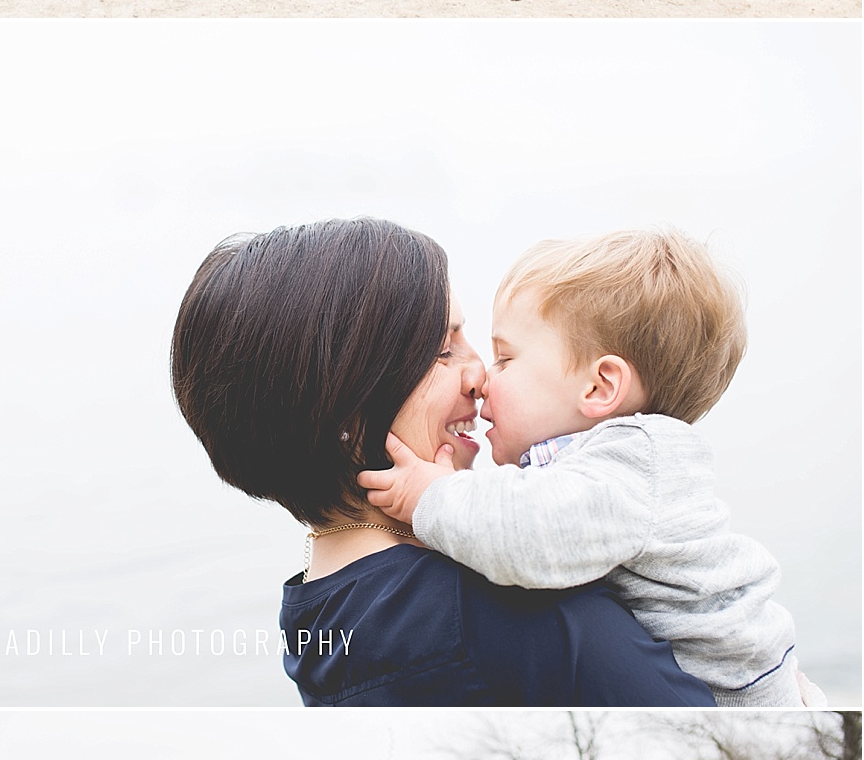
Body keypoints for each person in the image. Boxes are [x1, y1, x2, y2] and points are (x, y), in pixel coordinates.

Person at [170, 217, 715, 706]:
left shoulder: (321, 614)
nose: (481, 374)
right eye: (441, 349)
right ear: (345, 407)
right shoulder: (503, 615)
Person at [359, 229, 821, 706]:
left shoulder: (634, 459)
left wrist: (430, 494)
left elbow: (529, 536)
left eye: (505, 359)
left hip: (742, 696)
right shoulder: (601, 466)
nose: (482, 379)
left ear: (600, 388)